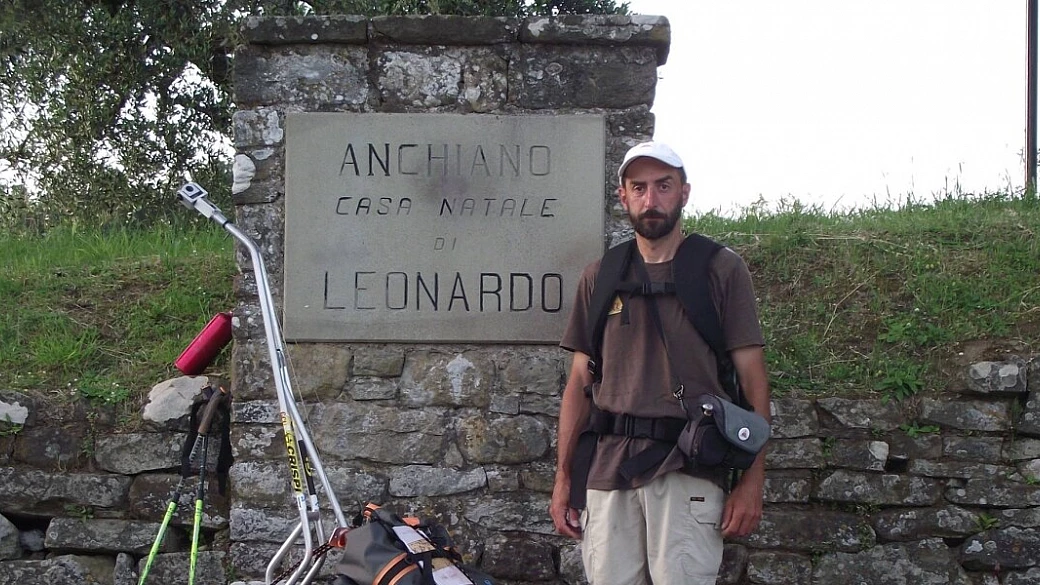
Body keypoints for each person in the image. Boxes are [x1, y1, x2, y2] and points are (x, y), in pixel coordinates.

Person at [549, 141, 771, 585]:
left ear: (684, 193)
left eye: (663, 186)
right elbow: (579, 383)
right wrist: (563, 478)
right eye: (640, 188)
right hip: (608, 470)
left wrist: (752, 482)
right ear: (623, 197)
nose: (651, 200)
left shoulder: (721, 270)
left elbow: (754, 382)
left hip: (687, 467)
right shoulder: (601, 275)